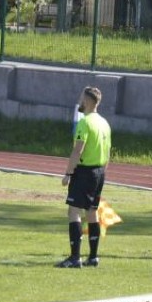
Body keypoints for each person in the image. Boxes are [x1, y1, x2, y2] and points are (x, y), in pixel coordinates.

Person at [57, 86, 112, 268]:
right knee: (92, 212)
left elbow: (77, 150)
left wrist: (68, 173)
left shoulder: (85, 122)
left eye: (82, 99)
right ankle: (93, 257)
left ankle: (75, 258)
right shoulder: (104, 123)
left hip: (85, 172)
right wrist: (102, 172)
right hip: (99, 172)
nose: (80, 102)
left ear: (87, 101)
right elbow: (108, 151)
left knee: (73, 211)